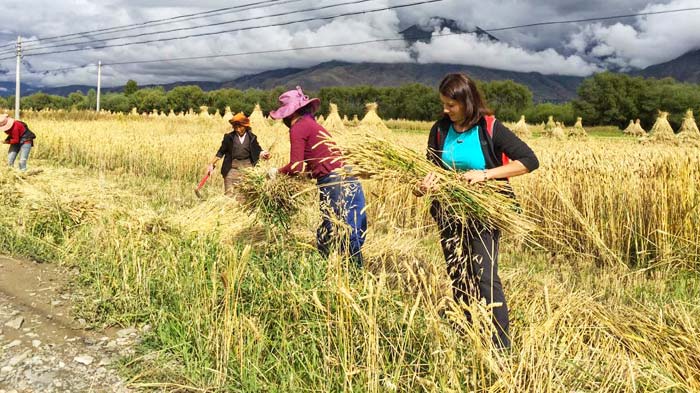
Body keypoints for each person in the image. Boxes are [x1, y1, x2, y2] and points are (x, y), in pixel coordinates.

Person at [414, 73, 539, 349]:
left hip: (484, 212)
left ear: (467, 102)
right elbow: (427, 170)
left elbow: (530, 161)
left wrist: (486, 174)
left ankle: (500, 345)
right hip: (449, 213)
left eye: (451, 105)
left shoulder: (490, 127)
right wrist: (424, 184)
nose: (445, 110)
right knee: (458, 272)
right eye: (444, 104)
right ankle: (465, 332)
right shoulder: (439, 130)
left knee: (484, 275)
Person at [268, 86, 367, 267]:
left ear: (289, 114)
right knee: (352, 225)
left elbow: (296, 166)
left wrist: (277, 172)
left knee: (333, 227)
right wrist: (311, 173)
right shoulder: (312, 124)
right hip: (348, 175)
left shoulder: (297, 128)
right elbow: (320, 158)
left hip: (334, 180)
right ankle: (355, 270)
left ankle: (330, 269)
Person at [207, 112, 271, 196]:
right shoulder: (229, 137)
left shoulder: (252, 137)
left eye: (240, 127)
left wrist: (264, 154)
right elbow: (221, 152)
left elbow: (257, 150)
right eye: (235, 127)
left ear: (245, 126)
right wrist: (212, 164)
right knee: (229, 195)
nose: (237, 129)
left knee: (245, 196)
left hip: (248, 170)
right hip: (231, 169)